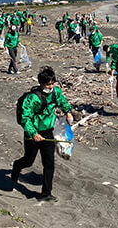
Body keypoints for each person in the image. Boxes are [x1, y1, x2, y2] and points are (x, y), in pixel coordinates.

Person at [12, 67, 73, 201]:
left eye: (52, 84)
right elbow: (25, 118)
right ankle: (16, 166)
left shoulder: (56, 92)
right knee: (28, 160)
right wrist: (33, 133)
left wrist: (68, 112)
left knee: (49, 163)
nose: (50, 87)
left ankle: (46, 193)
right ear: (41, 83)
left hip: (48, 132)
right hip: (33, 134)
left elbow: (63, 102)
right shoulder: (32, 98)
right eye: (47, 84)